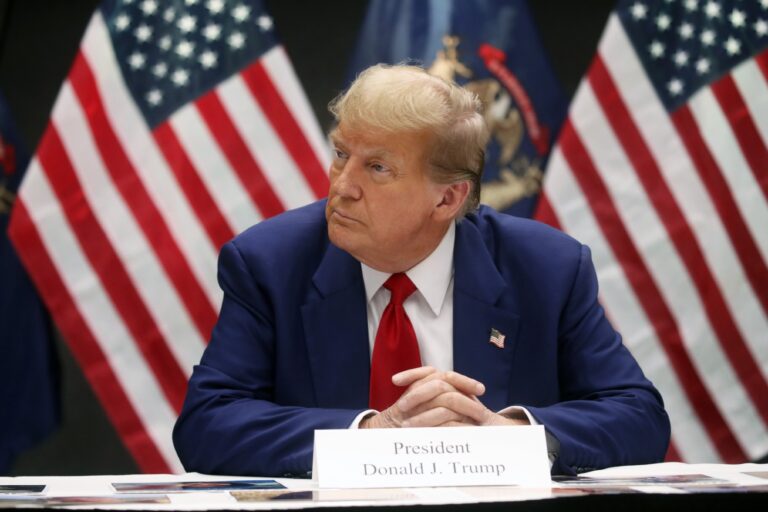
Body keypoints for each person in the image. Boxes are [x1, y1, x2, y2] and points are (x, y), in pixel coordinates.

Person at [173, 64, 670, 477]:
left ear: (447, 198)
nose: (342, 186)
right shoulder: (271, 263)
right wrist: (372, 436)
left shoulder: (546, 268)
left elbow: (638, 416)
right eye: (342, 154)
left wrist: (512, 436)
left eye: (377, 168)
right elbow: (206, 425)